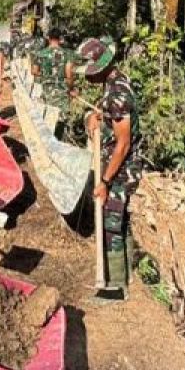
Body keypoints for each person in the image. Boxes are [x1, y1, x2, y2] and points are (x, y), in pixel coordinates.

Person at [77, 36, 142, 299]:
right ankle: (125, 276)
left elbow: (123, 144)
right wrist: (97, 117)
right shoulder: (115, 83)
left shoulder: (118, 94)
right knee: (119, 220)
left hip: (120, 170)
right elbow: (114, 119)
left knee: (112, 223)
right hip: (115, 166)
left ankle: (115, 287)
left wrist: (104, 180)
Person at [32, 28, 75, 114]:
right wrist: (71, 88)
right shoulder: (67, 54)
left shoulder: (40, 54)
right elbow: (69, 74)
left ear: (48, 38)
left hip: (46, 91)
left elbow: (34, 71)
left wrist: (46, 75)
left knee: (47, 116)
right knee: (63, 118)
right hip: (62, 92)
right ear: (60, 38)